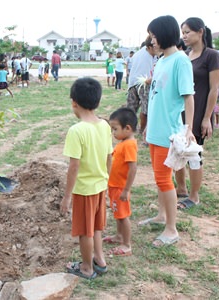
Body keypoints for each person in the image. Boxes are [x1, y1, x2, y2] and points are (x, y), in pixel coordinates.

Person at [139, 15, 195, 247]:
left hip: (169, 133)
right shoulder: (161, 60)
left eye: (153, 36)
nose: (151, 41)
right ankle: (162, 216)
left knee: (164, 180)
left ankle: (171, 229)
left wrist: (189, 128)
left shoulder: (181, 60)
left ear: (164, 34)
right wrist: (148, 127)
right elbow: (155, 98)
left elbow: (188, 97)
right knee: (161, 178)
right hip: (155, 130)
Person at [61, 77, 112, 279]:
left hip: (84, 189)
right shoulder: (105, 126)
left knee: (85, 231)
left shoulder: (76, 130)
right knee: (96, 227)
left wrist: (66, 196)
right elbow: (109, 157)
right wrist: (105, 180)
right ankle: (99, 260)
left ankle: (86, 268)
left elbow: (74, 166)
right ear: (97, 102)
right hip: (100, 186)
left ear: (74, 102)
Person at [175, 17, 219, 210]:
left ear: (200, 31)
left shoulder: (211, 55)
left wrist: (206, 118)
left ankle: (194, 196)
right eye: (182, 32)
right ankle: (181, 189)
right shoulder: (185, 55)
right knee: (178, 150)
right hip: (181, 112)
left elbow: (214, 89)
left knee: (194, 154)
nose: (184, 36)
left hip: (199, 111)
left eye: (187, 32)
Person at [103, 107, 138, 257]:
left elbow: (133, 168)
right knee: (117, 213)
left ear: (128, 128)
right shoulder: (123, 142)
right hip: (114, 185)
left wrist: (126, 189)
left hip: (120, 187)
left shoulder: (129, 144)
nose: (113, 132)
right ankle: (119, 236)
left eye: (115, 129)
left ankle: (126, 245)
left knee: (123, 216)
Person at [126, 36, 158, 137]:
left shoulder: (139, 53)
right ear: (149, 47)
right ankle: (143, 130)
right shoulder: (147, 56)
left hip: (132, 83)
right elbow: (149, 77)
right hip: (143, 84)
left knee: (131, 108)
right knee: (146, 109)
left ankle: (127, 129)